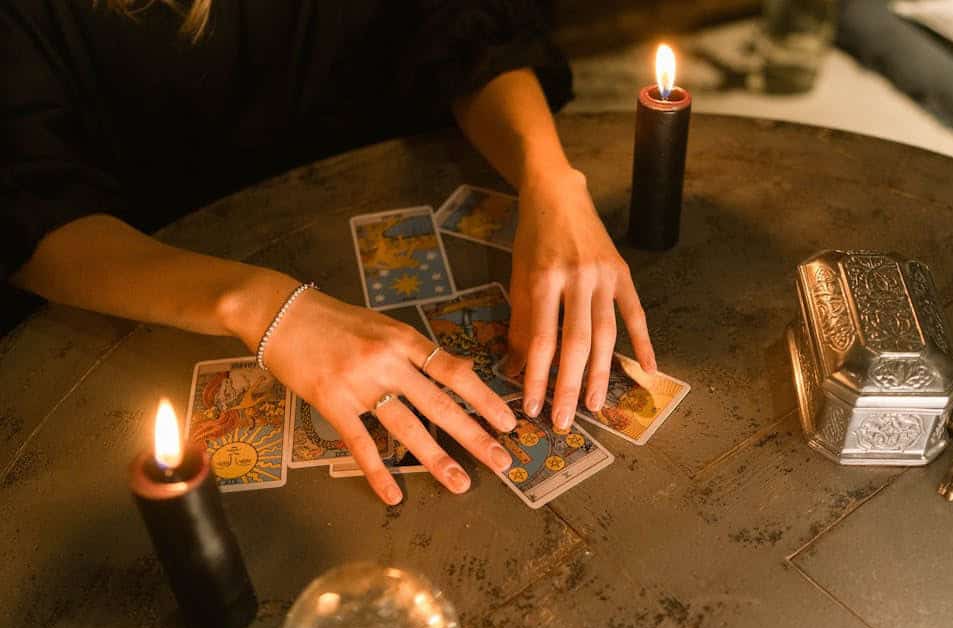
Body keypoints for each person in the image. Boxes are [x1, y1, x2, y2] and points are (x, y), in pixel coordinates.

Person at [2, 0, 656, 505]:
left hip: (393, 183)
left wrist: (549, 178)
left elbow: (465, 25)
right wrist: (259, 306)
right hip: (155, 280)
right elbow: (30, 208)